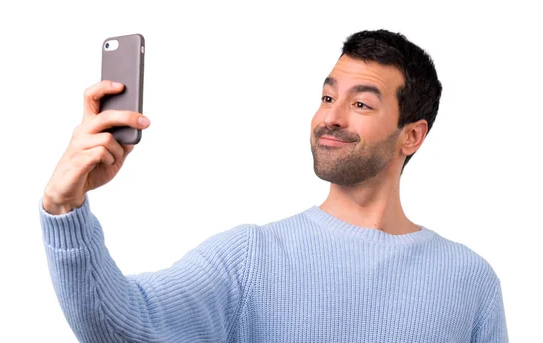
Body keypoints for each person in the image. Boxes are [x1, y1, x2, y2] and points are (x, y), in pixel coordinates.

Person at [39, 29, 508, 342]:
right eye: (327, 97)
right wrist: (65, 208)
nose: (330, 118)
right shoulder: (250, 257)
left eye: (360, 105)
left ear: (412, 135)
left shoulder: (470, 280)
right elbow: (121, 324)